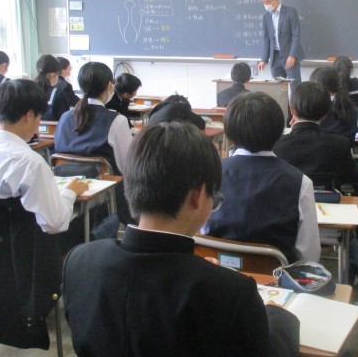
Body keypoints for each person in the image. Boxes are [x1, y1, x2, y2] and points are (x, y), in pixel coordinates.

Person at [63, 121, 300, 357]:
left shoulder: (78, 262)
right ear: (197, 196)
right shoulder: (232, 293)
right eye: (214, 198)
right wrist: (278, 315)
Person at [0, 79, 87, 233]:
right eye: (39, 117)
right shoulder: (31, 163)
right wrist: (70, 193)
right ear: (29, 115)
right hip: (24, 244)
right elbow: (55, 224)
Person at [203, 92, 320, 263]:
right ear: (279, 131)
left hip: (217, 271)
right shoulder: (300, 182)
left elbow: (202, 232)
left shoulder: (209, 172)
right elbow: (309, 255)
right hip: (276, 277)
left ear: (228, 131)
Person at [273, 82, 358, 187]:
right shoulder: (340, 144)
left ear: (292, 110)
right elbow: (355, 176)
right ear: (326, 113)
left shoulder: (277, 144)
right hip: (328, 196)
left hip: (289, 197)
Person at [55, 62, 133, 176]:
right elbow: (127, 165)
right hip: (106, 185)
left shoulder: (65, 117)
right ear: (109, 85)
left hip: (67, 182)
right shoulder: (117, 120)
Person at [315, 67, 358, 145]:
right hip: (343, 151)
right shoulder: (355, 112)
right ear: (339, 84)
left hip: (316, 151)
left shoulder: (312, 109)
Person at [257, 0, 304, 90]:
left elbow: (296, 35)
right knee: (279, 90)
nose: (266, 5)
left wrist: (292, 55)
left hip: (289, 56)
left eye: (268, 2)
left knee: (296, 88)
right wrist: (263, 59)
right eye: (264, 3)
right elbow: (266, 40)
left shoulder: (291, 12)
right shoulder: (266, 17)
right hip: (275, 57)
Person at [34, 54, 72, 121]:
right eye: (57, 74)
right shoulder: (58, 94)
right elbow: (65, 119)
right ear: (52, 74)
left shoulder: (29, 90)